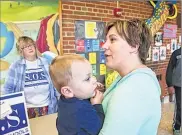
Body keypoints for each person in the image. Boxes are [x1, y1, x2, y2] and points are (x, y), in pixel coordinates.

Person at [98, 19, 161, 135]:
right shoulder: (130, 78)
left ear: (134, 46)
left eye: (112, 39)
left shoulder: (134, 87)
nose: (104, 46)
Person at [3, 36, 58, 118]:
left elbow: (55, 84)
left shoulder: (46, 62)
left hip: (48, 107)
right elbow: (8, 89)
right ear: (21, 51)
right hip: (26, 109)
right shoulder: (16, 66)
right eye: (25, 47)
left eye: (31, 45)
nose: (29, 48)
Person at [49, 54, 105, 135]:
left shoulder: (64, 100)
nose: (94, 79)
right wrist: (97, 104)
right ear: (67, 91)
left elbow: (81, 95)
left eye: (92, 75)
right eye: (87, 79)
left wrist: (91, 89)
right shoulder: (81, 108)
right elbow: (99, 127)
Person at [166, 47, 181, 135]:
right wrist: (170, 85)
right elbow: (169, 70)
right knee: (180, 107)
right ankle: (177, 127)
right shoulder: (176, 53)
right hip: (179, 85)